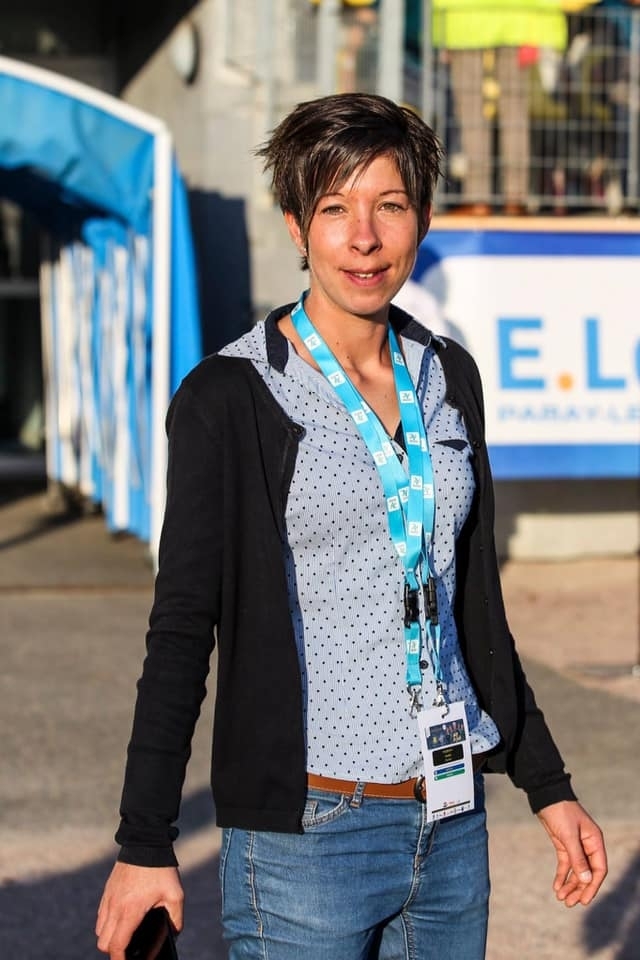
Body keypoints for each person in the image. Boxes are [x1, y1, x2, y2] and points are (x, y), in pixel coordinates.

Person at [96, 92, 607, 960]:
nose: (363, 238)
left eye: (389, 205)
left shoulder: (448, 375)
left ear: (423, 219)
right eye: (335, 209)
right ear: (297, 227)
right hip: (309, 833)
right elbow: (181, 627)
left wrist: (546, 783)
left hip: (451, 824)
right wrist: (145, 841)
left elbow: (471, 607)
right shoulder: (232, 396)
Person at [432, 0, 568, 215]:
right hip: (522, 17)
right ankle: (516, 198)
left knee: (471, 112)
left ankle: (477, 198)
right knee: (515, 112)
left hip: (464, 16)